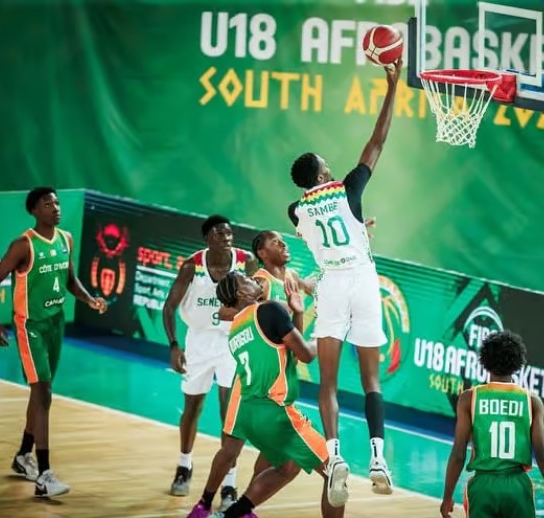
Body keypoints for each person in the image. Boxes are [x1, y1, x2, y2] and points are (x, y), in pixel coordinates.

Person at [286, 58, 403, 498]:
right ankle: (378, 459)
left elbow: (323, 230)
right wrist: (392, 86)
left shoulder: (295, 210)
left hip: (332, 285)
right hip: (363, 281)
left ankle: (334, 455)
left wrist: (355, 227)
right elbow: (378, 140)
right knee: (371, 381)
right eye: (327, 167)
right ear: (322, 176)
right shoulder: (349, 188)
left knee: (328, 382)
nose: (333, 169)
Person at [186, 271, 346, 518]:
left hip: (250, 415)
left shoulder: (236, 329)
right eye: (247, 279)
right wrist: (325, 336)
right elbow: (305, 354)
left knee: (288, 467)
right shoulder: (269, 310)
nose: (254, 280)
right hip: (275, 412)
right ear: (242, 292)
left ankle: (234, 513)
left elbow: (291, 355)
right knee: (335, 473)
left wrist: (298, 313)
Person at [0, 186, 108, 497]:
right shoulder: (23, 245)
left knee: (42, 392)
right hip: (30, 326)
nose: (55, 207)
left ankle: (23, 455)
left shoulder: (66, 239)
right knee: (43, 392)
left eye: (56, 202)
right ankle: (45, 475)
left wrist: (90, 299)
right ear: (34, 211)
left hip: (56, 323)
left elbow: (69, 280)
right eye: (47, 203)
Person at [162, 215, 257, 505]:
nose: (226, 237)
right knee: (193, 406)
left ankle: (229, 483)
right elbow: (169, 307)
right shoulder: (192, 266)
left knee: (229, 413)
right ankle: (184, 465)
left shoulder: (246, 261)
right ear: (207, 238)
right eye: (219, 233)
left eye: (229, 233)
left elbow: (256, 300)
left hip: (233, 340)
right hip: (199, 341)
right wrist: (174, 345)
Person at [440, 331, 544, 518]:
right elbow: (543, 453)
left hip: (483, 487)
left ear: (485, 361)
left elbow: (458, 454)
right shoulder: (531, 401)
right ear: (517, 363)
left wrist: (447, 497)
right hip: (518, 487)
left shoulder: (469, 399)